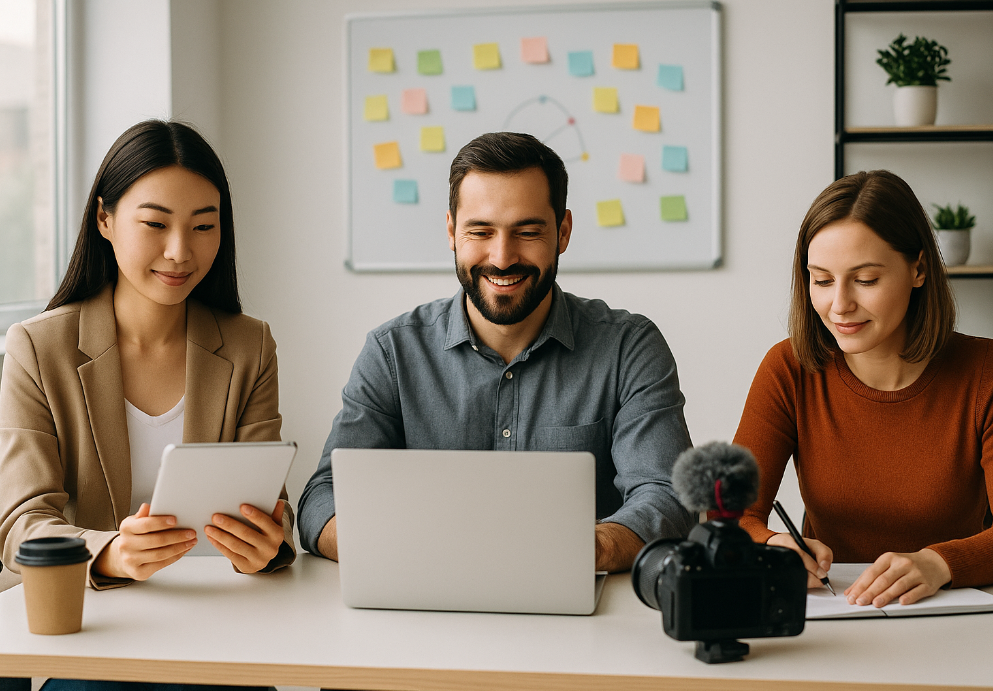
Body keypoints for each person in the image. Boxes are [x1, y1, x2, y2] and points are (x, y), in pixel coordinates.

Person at [298, 132, 693, 572]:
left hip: (579, 609)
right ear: (451, 231)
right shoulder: (392, 352)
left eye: (527, 232)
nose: (502, 258)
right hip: (425, 603)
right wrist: (405, 545)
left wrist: (589, 547)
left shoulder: (628, 347)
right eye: (480, 231)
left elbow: (667, 494)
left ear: (562, 232)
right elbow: (323, 497)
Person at [0, 120, 295, 598]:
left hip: (213, 615)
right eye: (156, 224)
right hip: (87, 616)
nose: (179, 251)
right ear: (104, 220)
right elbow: (20, 526)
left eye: (203, 226)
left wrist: (268, 546)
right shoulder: (37, 349)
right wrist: (111, 553)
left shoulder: (250, 347)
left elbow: (269, 506)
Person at [734, 169, 993, 608]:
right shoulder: (788, 368)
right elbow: (733, 513)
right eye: (821, 280)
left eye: (866, 280)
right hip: (832, 611)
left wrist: (939, 563)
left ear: (918, 268)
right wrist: (770, 544)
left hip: (953, 614)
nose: (839, 305)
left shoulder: (991, 371)